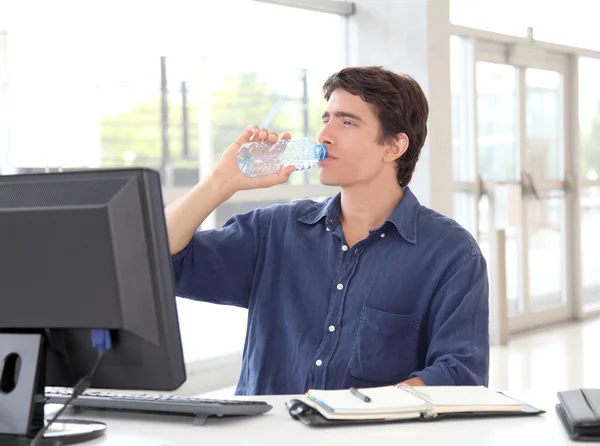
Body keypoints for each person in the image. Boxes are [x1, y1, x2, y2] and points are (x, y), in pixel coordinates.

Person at [166, 66, 489, 396]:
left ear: (393, 146)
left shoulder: (451, 253)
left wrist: (365, 408)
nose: (324, 136)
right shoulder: (274, 231)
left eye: (347, 122)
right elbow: (159, 261)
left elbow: (460, 373)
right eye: (326, 119)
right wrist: (220, 182)